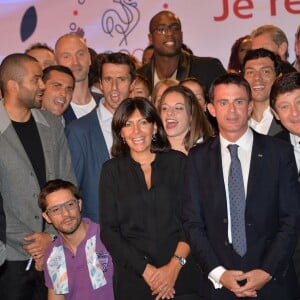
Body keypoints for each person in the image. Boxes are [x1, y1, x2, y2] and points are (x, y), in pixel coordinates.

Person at [182, 73, 300, 299]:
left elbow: (291, 218)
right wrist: (219, 273)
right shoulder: (197, 159)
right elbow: (192, 223)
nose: (232, 110)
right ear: (211, 109)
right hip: (219, 286)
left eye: (239, 102)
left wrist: (266, 271)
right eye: (223, 103)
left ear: (249, 107)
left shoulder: (279, 152)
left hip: (273, 284)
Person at [100, 97, 203, 300]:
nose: (136, 131)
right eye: (128, 124)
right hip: (135, 281)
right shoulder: (111, 171)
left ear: (154, 127)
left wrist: (174, 267)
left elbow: (192, 222)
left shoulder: (178, 163)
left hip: (181, 278)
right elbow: (109, 231)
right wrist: (147, 271)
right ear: (120, 132)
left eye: (143, 122)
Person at [0, 53, 76, 300]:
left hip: (55, 252)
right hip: (9, 259)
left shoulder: (52, 124)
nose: (43, 86)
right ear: (13, 85)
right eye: (36, 80)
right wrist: (34, 242)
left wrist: (51, 237)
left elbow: (67, 184)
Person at [66, 52, 136, 223]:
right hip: (97, 233)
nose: (114, 87)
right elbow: (71, 189)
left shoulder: (146, 126)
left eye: (121, 79)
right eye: (108, 79)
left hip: (143, 229)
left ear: (132, 84)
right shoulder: (78, 131)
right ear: (100, 84)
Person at [39, 179, 114, 300]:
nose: (66, 214)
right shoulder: (53, 255)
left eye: (70, 204)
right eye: (56, 210)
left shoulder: (107, 237)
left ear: (79, 204)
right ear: (47, 217)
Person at [137, 10, 226, 91]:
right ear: (151, 38)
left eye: (175, 29)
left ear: (181, 35)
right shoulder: (139, 76)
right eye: (162, 30)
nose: (170, 34)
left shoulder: (209, 68)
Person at [55, 33, 102, 124]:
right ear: (56, 63)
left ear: (89, 58)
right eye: (66, 56)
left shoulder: (106, 103)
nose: (75, 62)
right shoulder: (54, 109)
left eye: (80, 54)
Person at [158, 85, 213, 155]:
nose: (169, 112)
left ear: (191, 115)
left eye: (178, 108)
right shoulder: (151, 152)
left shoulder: (208, 152)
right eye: (164, 108)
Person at [242, 48, 283, 135]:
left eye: (265, 72)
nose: (257, 78)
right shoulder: (234, 120)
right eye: (250, 72)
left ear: (278, 78)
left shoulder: (291, 117)